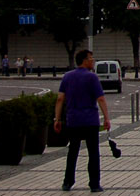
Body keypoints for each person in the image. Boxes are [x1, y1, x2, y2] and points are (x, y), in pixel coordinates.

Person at [55, 48, 111, 193]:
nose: (93, 61)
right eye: (91, 58)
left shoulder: (67, 77)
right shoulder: (92, 78)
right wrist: (106, 117)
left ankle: (67, 182)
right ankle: (94, 184)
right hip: (90, 120)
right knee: (93, 152)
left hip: (73, 120)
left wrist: (57, 119)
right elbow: (101, 99)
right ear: (85, 61)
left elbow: (60, 98)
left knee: (72, 151)